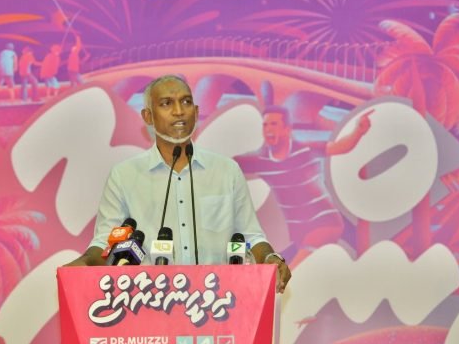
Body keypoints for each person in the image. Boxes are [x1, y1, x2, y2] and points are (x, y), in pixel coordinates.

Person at [65, 75, 292, 293]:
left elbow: (251, 237)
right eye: (166, 103)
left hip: (216, 307)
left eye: (186, 102)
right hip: (150, 309)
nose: (179, 111)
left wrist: (270, 257)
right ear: (148, 117)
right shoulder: (124, 176)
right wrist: (85, 262)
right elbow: (106, 242)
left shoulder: (226, 171)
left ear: (196, 111)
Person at [235, 105, 372, 266]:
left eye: (274, 124)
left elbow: (341, 146)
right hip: (298, 233)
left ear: (287, 129)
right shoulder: (261, 161)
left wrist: (359, 131)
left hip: (324, 223)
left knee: (287, 278)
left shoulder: (305, 149)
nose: (268, 129)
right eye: (265, 125)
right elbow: (228, 164)